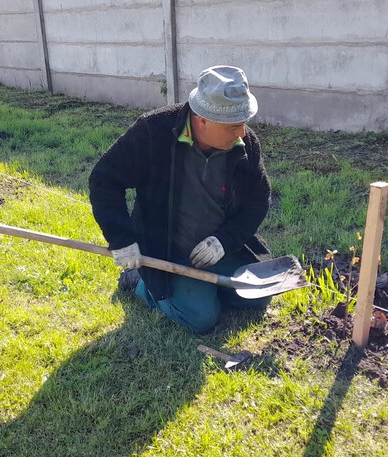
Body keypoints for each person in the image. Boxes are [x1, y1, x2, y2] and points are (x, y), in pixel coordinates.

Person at [89, 66, 272, 334]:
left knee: (258, 296)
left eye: (244, 123)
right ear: (202, 120)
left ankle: (205, 288)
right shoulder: (153, 132)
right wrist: (122, 240)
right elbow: (104, 180)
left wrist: (225, 241)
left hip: (221, 247)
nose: (242, 133)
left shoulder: (246, 145)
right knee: (200, 319)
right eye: (233, 126)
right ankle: (138, 280)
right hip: (167, 249)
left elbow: (259, 198)